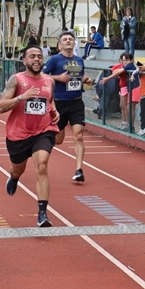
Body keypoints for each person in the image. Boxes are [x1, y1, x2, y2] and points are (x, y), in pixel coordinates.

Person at [0, 46, 60, 228]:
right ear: (24, 60)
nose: (37, 59)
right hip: (18, 133)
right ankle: (14, 177)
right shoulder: (16, 80)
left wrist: (54, 111)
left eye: (40, 56)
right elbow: (1, 106)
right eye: (32, 56)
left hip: (43, 129)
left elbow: (49, 100)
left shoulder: (49, 81)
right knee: (18, 169)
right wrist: (21, 98)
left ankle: (42, 213)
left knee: (42, 165)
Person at [42, 31, 94, 182]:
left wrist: (86, 79)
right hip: (59, 103)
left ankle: (79, 170)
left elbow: (80, 75)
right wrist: (59, 78)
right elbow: (43, 76)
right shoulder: (54, 60)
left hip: (76, 102)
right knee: (58, 140)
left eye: (70, 39)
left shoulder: (79, 60)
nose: (68, 41)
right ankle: (42, 161)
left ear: (74, 43)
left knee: (78, 134)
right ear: (59, 45)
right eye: (65, 39)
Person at [99, 52, 137, 130]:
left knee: (126, 106)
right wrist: (117, 70)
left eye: (126, 60)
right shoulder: (123, 66)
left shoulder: (130, 66)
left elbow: (118, 72)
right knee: (122, 106)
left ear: (131, 60)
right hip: (122, 86)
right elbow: (114, 69)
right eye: (123, 60)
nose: (124, 62)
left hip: (127, 87)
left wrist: (107, 79)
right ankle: (124, 122)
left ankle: (128, 124)